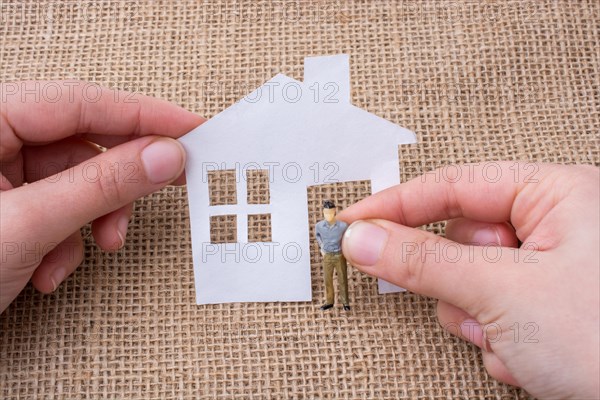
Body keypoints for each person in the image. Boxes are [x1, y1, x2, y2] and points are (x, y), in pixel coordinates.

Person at [0, 82, 598, 399]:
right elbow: (320, 230)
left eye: (334, 206)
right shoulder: (323, 226)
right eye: (332, 207)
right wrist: (337, 238)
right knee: (336, 274)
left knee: (340, 277)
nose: (333, 209)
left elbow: (340, 230)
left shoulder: (334, 221)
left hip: (342, 260)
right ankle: (334, 295)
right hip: (334, 257)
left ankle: (337, 296)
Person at [315, 200, 350, 311]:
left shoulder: (343, 226)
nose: (328, 215)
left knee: (342, 279)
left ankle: (345, 303)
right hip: (327, 256)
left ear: (334, 212)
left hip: (339, 255)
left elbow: (348, 237)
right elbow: (317, 236)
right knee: (327, 279)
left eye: (330, 213)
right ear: (323, 212)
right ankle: (329, 302)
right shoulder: (319, 226)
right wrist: (321, 247)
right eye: (326, 213)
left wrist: (345, 249)